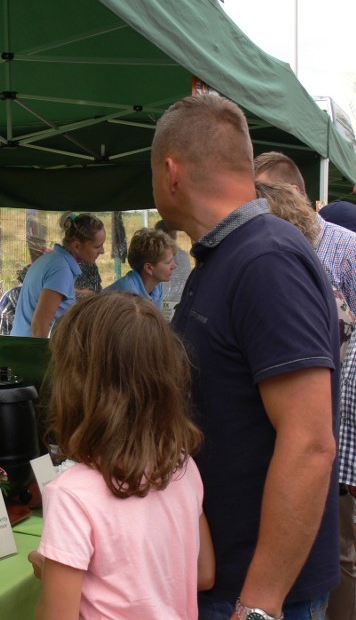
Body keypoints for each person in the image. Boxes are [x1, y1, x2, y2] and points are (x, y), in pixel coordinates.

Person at [152, 94, 339, 620]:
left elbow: (309, 443)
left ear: (171, 172)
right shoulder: (225, 257)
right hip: (224, 581)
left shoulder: (266, 260)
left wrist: (259, 604)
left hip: (255, 595)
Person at [33, 292, 214, 619]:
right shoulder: (182, 466)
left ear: (77, 386)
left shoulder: (71, 495)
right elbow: (203, 574)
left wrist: (50, 571)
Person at [255, 177, 356, 620]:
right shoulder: (315, 279)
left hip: (330, 440)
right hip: (333, 440)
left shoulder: (305, 279)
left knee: (341, 550)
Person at [255, 151, 356, 314]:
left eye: (264, 195)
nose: (258, 208)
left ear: (294, 192)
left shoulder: (349, 249)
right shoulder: (260, 250)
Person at [10, 213, 105, 337]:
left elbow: (47, 292)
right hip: (29, 351)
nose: (102, 251)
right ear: (77, 246)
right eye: (97, 246)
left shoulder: (53, 260)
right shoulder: (61, 271)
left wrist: (78, 293)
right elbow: (39, 327)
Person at [102, 227, 177, 306]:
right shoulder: (127, 295)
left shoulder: (157, 285)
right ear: (148, 268)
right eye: (168, 262)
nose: (174, 266)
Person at [155, 218, 192, 305]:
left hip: (178, 301)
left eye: (174, 233)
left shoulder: (182, 256)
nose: (173, 236)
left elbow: (186, 279)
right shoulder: (153, 255)